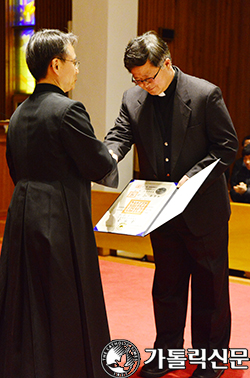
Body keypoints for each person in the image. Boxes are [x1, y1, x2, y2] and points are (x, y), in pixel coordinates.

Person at [104, 31, 238, 378]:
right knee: (167, 285)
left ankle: (211, 359)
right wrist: (108, 155)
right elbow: (120, 135)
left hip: (203, 211)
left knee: (210, 288)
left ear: (167, 63)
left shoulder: (205, 94)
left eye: (149, 77)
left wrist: (191, 178)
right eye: (137, 79)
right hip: (160, 211)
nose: (144, 85)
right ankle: (166, 353)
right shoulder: (132, 98)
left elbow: (226, 147)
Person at [0, 29, 118, 378]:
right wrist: (110, 152)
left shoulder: (18, 113)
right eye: (74, 62)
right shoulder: (68, 110)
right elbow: (99, 164)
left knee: (26, 298)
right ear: (55, 65)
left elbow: (15, 168)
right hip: (59, 217)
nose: (77, 69)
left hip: (22, 214)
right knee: (63, 298)